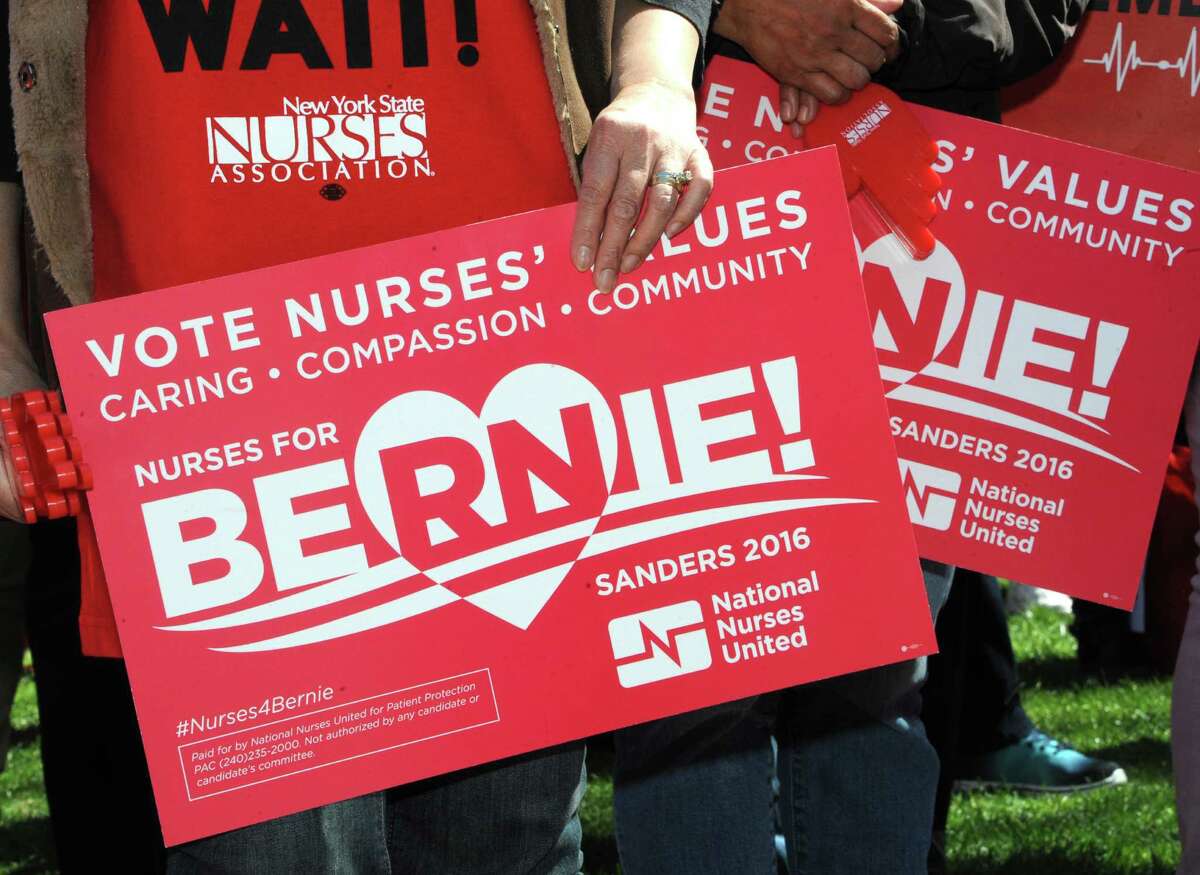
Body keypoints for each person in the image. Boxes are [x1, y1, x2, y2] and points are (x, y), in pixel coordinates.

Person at [0, 1, 713, 872]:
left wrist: (658, 78)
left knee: (503, 845)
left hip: (499, 342)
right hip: (212, 408)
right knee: (271, 859)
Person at [612, 1, 1087, 873]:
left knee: (882, 671)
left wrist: (882, 20)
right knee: (692, 667)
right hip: (701, 216)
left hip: (910, 230)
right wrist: (742, 12)